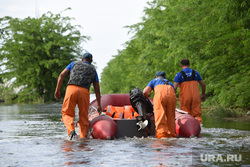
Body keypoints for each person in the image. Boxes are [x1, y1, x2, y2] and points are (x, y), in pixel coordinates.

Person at [54, 52, 101, 140]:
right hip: (84, 91)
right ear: (91, 61)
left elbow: (61, 75)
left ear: (82, 59)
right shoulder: (93, 70)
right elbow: (97, 89)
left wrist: (57, 90)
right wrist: (98, 104)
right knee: (84, 117)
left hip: (71, 89)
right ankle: (83, 138)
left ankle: (71, 130)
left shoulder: (74, 63)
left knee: (67, 113)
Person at [143, 71, 177, 139]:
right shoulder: (169, 83)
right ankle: (171, 135)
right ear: (164, 77)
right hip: (172, 97)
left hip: (160, 96)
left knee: (160, 115)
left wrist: (148, 95)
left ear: (156, 76)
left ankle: (161, 136)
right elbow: (174, 91)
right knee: (171, 117)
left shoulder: (154, 81)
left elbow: (145, 91)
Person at [174, 59, 206, 124]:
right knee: (197, 114)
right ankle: (199, 125)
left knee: (185, 113)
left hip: (185, 97)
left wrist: (173, 97)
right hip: (196, 96)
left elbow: (175, 88)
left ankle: (188, 125)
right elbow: (203, 84)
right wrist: (203, 94)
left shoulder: (179, 75)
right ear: (189, 65)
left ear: (181, 65)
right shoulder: (195, 73)